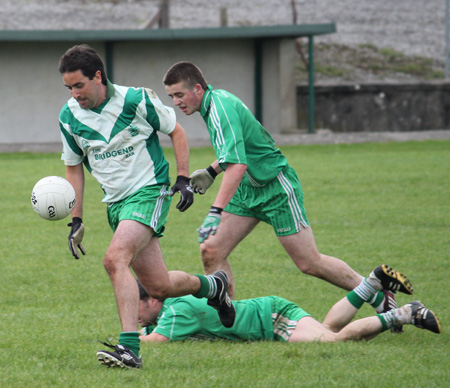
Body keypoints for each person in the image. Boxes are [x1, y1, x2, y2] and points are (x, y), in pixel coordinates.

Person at [162, 62, 411, 310]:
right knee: (211, 251)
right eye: (172, 96)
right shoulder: (214, 104)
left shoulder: (220, 109)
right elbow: (241, 149)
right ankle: (233, 320)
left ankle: (376, 295)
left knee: (309, 263)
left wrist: (215, 211)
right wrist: (211, 171)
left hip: (275, 188)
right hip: (247, 190)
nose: (176, 102)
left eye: (179, 94)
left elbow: (238, 165)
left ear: (197, 88)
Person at [58, 45, 235, 369]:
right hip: (116, 205)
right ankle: (215, 286)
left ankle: (130, 349)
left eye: (79, 85)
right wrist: (77, 218)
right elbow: (74, 169)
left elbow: (176, 131)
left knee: (114, 260)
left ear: (98, 76)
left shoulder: (136, 99)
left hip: (148, 193)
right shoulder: (69, 116)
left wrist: (182, 178)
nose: (74, 94)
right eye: (69, 87)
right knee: (159, 286)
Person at [136, 265, 440, 343]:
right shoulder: (168, 311)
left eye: (133, 305)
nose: (132, 314)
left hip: (272, 319)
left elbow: (156, 342)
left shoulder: (176, 310)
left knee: (331, 341)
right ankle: (370, 285)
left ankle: (404, 313)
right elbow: (153, 331)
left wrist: (130, 339)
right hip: (271, 312)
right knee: (329, 328)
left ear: (152, 298)